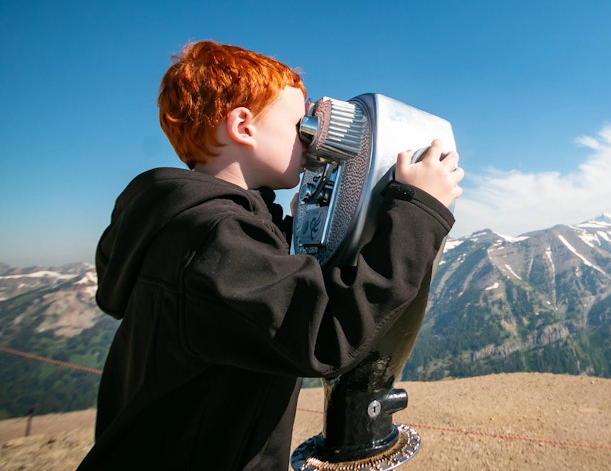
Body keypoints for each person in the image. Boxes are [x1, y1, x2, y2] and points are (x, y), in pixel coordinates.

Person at [77, 40, 463, 471]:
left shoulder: (181, 226)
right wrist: (419, 210)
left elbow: (263, 299)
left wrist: (299, 227)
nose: (314, 141)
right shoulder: (213, 238)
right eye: (302, 126)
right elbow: (325, 335)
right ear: (243, 126)